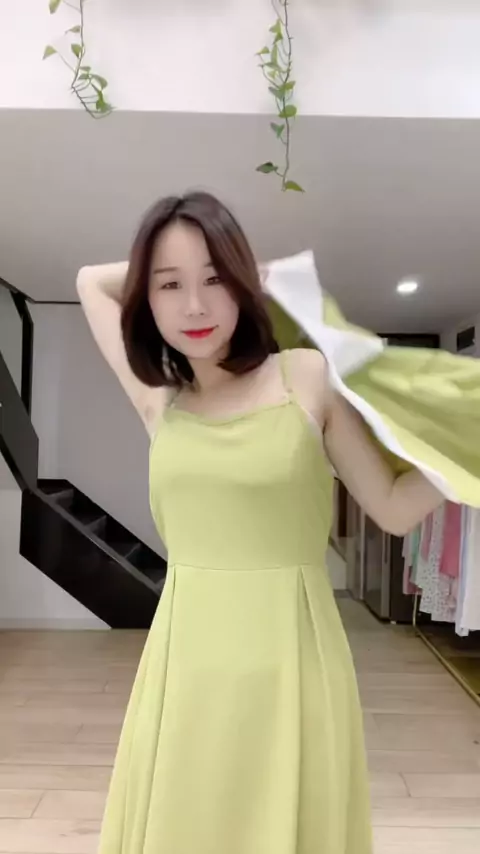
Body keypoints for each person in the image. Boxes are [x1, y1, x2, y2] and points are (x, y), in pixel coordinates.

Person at [77, 191, 446, 854]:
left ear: (242, 285)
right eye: (169, 284)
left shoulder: (302, 375)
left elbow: (391, 507)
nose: (195, 306)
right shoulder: (160, 399)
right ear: (147, 299)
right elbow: (89, 282)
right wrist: (236, 265)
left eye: (216, 278)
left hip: (291, 659)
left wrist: (459, 463)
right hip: (186, 664)